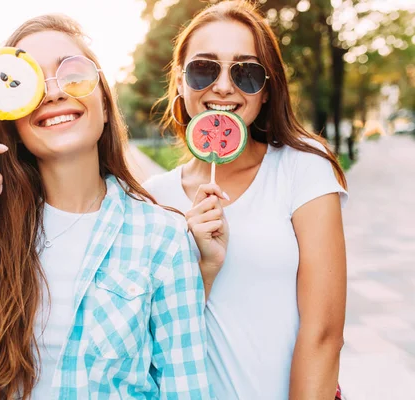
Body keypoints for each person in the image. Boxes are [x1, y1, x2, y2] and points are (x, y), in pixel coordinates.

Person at [0, 14, 212, 400]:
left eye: (73, 74)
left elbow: (186, 389)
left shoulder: (164, 237)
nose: (53, 92)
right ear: (12, 116)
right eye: (29, 81)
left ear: (104, 99)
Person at [143, 1, 349, 399]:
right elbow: (150, 344)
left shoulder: (302, 168)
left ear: (268, 90)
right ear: (180, 82)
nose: (223, 86)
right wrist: (202, 268)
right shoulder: (152, 198)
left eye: (246, 72)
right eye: (204, 68)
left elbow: (324, 334)